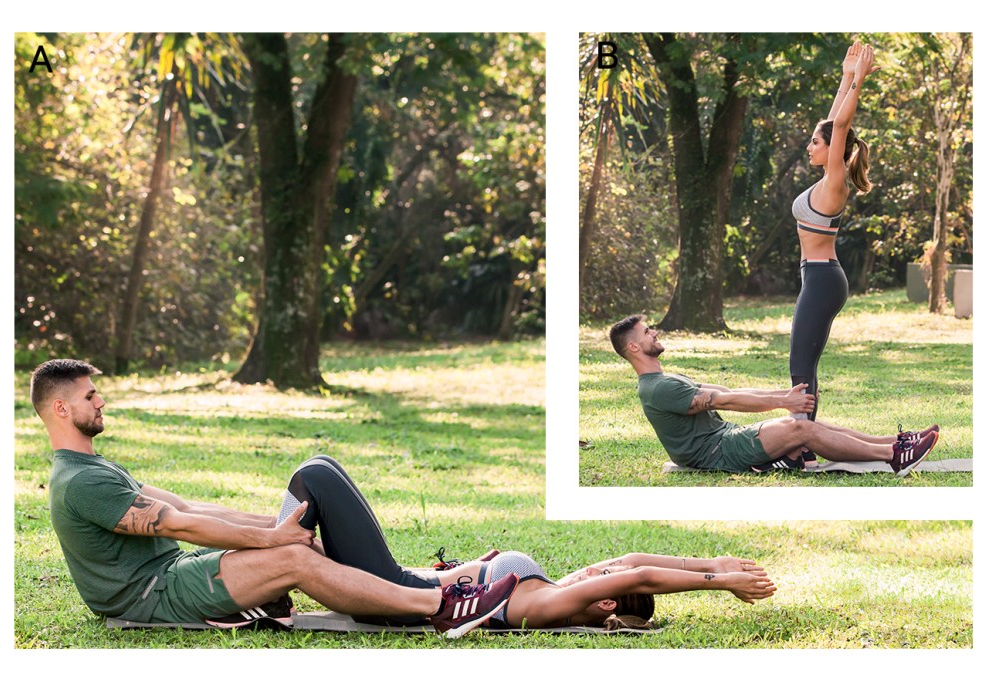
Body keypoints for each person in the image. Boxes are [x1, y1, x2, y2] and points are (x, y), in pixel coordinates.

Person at [30, 359, 519, 639]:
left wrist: (281, 523)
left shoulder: (95, 468)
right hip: (151, 595)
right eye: (91, 396)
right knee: (291, 558)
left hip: (171, 575)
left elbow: (191, 508)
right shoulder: (80, 482)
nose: (100, 401)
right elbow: (178, 526)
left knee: (315, 479)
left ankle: (398, 588)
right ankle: (438, 605)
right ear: (60, 407)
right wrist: (274, 539)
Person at [278, 455, 778, 630]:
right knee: (322, 471)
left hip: (387, 594)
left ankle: (267, 583)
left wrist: (722, 582)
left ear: (603, 599)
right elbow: (634, 561)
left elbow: (641, 577)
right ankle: (270, 567)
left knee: (315, 475)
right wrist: (710, 559)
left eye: (602, 577)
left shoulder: (546, 606)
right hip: (393, 580)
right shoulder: (552, 588)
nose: (598, 566)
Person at [609, 315, 939, 476]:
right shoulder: (658, 388)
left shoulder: (665, 380)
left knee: (807, 423)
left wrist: (785, 395)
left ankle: (897, 442)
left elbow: (728, 391)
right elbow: (724, 401)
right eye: (647, 331)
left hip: (725, 439)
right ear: (634, 347)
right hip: (716, 452)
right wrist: (785, 402)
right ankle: (894, 457)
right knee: (801, 429)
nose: (654, 331)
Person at [789, 41, 878, 467]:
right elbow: (832, 122)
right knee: (804, 362)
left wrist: (859, 81)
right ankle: (801, 445)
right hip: (819, 277)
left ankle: (799, 447)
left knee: (799, 363)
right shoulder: (827, 178)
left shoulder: (835, 180)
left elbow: (838, 126)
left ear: (832, 149)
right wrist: (844, 76)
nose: (809, 146)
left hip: (823, 279)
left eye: (814, 142)